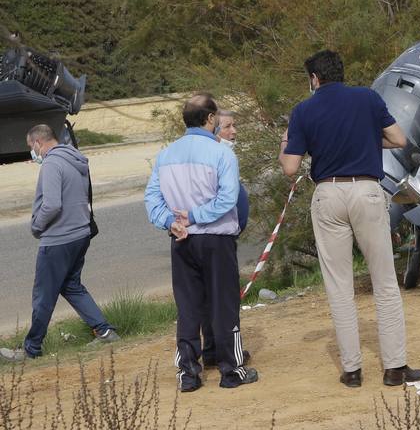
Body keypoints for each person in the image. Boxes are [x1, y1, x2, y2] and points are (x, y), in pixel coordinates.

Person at [279, 50, 420, 388]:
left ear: (315, 79)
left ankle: (352, 370)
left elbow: (290, 167)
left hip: (328, 193)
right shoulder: (368, 98)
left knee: (339, 286)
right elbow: (399, 139)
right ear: (340, 73)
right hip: (367, 191)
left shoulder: (303, 110)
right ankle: (394, 367)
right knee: (385, 281)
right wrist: (366, 141)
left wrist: (287, 141)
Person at [145, 93, 258, 392]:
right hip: (215, 238)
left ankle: (189, 373)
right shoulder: (221, 154)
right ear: (210, 119)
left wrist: (171, 222)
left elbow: (152, 199)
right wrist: (194, 216)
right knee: (224, 304)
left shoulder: (166, 155)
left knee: (189, 306)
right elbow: (226, 199)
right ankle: (231, 370)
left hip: (181, 240)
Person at [14, 124, 119, 359]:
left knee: (43, 295)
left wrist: (36, 226)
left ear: (39, 143)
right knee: (71, 286)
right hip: (80, 234)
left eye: (32, 148)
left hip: (58, 238)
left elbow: (52, 204)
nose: (33, 153)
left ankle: (31, 349)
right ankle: (105, 331)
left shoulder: (52, 163)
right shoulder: (75, 159)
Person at [201, 109, 250, 369]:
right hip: (216, 235)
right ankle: (225, 354)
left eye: (234, 125)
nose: (233, 131)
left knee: (214, 297)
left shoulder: (225, 154)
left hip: (224, 235)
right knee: (222, 299)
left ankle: (215, 347)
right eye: (228, 126)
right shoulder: (216, 155)